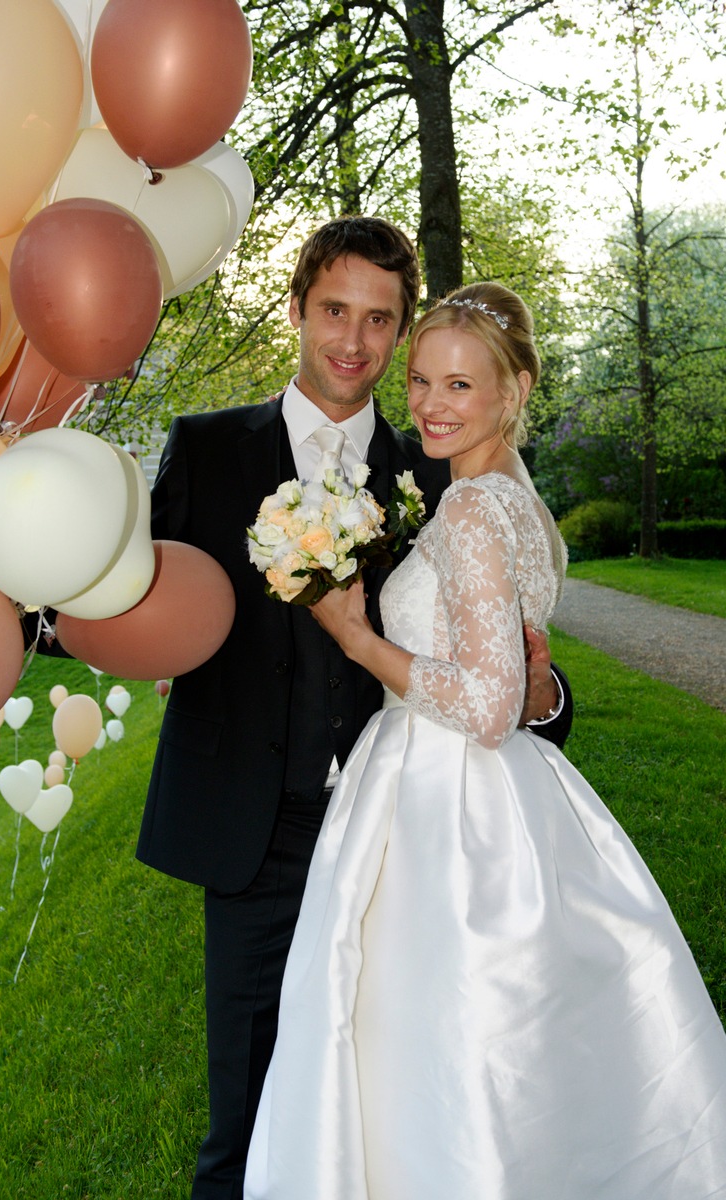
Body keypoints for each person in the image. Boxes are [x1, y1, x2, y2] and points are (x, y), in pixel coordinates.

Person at [243, 282, 726, 1199]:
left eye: (459, 386)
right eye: (421, 380)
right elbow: (517, 677)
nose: (429, 402)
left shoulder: (468, 512)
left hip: (444, 804)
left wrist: (355, 637)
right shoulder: (509, 499)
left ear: (511, 394)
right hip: (501, 793)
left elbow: (488, 703)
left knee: (426, 1043)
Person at [137, 219, 572, 1199]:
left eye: (380, 320)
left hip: (407, 848)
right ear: (296, 308)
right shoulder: (205, 454)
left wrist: (545, 695)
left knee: (393, 1105)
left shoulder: (435, 467)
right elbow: (133, 607)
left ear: (401, 331)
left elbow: (506, 666)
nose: (353, 340)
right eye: (334, 309)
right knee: (246, 1117)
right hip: (258, 833)